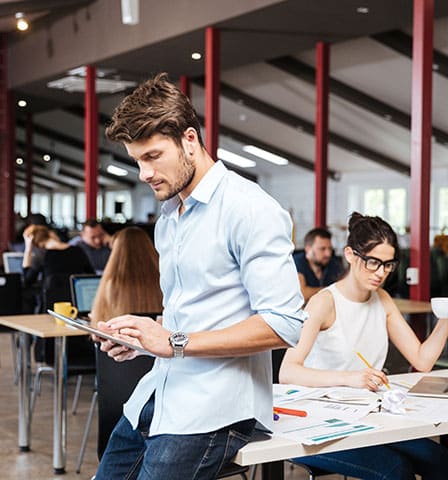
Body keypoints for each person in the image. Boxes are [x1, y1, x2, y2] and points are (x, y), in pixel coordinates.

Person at [93, 73, 306, 480]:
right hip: (160, 393)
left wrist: (171, 342)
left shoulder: (250, 209)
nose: (143, 173)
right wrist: (146, 336)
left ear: (190, 139)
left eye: (153, 156)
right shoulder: (170, 216)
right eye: (137, 160)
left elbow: (285, 323)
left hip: (217, 410)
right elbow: (194, 316)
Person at [280, 212, 448, 480]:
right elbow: (287, 371)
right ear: (350, 255)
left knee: (437, 458)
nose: (381, 273)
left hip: (368, 416)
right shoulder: (324, 302)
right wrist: (351, 379)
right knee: (396, 471)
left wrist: (447, 318)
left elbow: (422, 359)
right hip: (317, 422)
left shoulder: (381, 299)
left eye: (388, 264)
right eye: (373, 262)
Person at [90, 226, 163, 325]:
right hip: (156, 338)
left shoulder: (111, 284)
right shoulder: (163, 281)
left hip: (121, 338)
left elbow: (100, 322)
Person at [22, 224, 95, 288]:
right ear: (51, 233)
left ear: (36, 244)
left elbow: (27, 281)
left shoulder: (42, 256)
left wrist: (28, 249)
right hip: (75, 300)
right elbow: (91, 275)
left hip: (51, 302)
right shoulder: (78, 250)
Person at [293, 227, 344, 302]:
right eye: (322, 249)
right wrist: (332, 290)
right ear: (308, 249)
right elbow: (302, 294)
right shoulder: (297, 262)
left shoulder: (334, 263)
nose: (328, 254)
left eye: (330, 249)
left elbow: (344, 290)